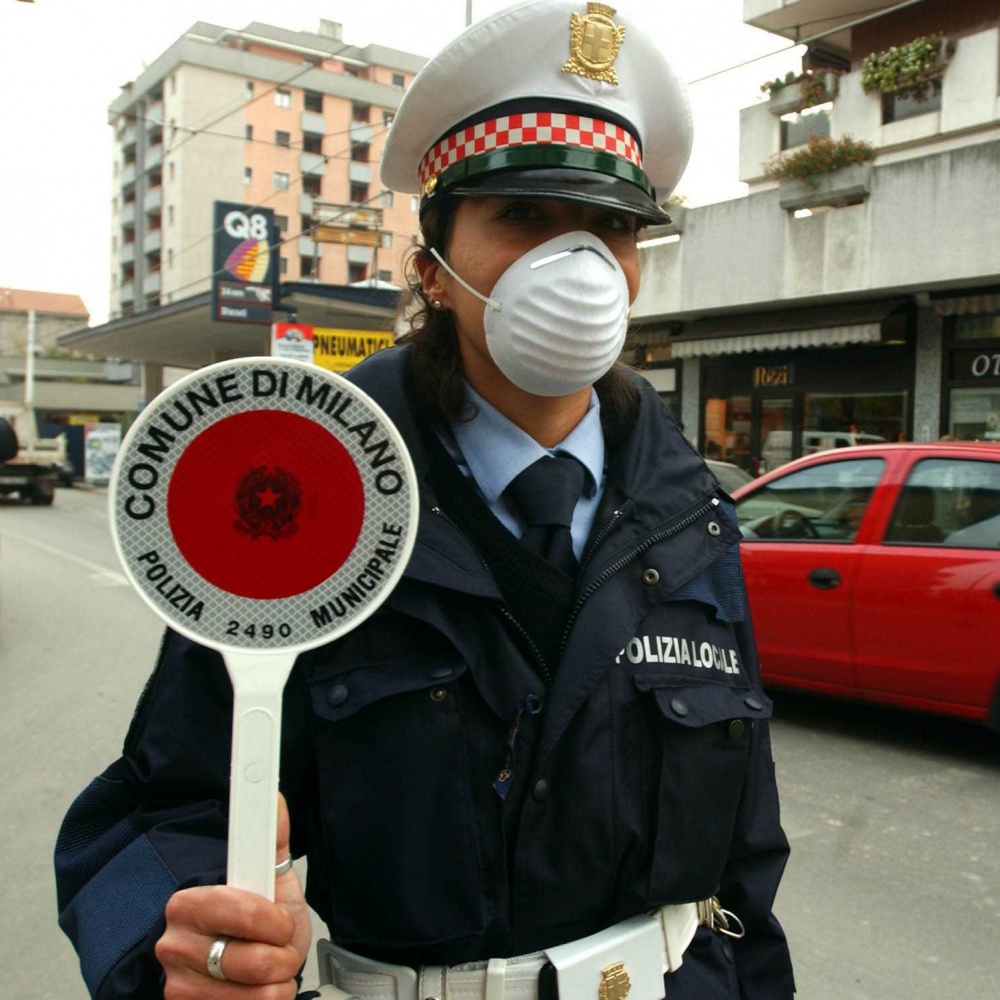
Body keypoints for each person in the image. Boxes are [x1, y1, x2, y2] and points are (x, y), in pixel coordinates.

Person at [55, 2, 794, 998]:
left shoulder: (689, 510)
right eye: (523, 217)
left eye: (611, 227)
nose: (573, 267)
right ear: (431, 269)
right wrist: (185, 942)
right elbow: (164, 810)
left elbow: (747, 849)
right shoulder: (316, 494)